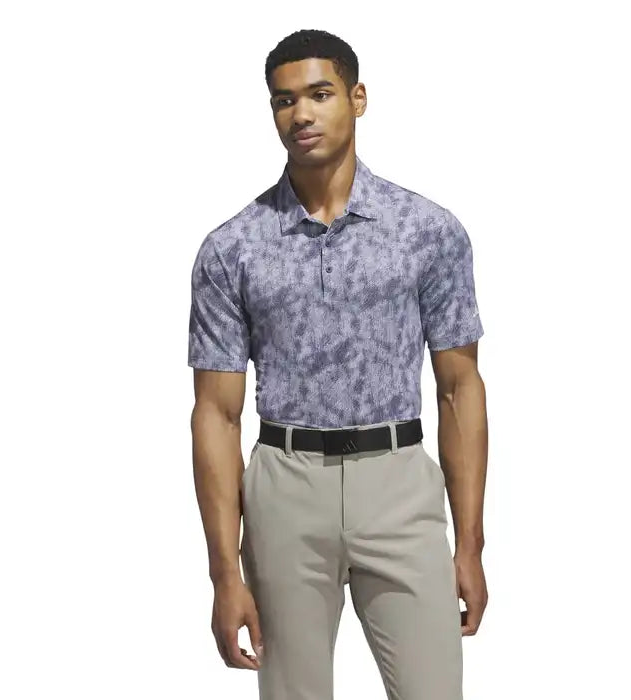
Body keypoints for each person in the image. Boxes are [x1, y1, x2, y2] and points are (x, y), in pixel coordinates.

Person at [188, 28, 488, 700]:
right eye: (284, 100)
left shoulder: (427, 231)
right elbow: (216, 413)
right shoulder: (232, 250)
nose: (301, 113)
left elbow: (459, 388)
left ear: (357, 98)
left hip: (399, 482)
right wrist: (224, 575)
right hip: (284, 489)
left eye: (319, 94)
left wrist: (469, 544)